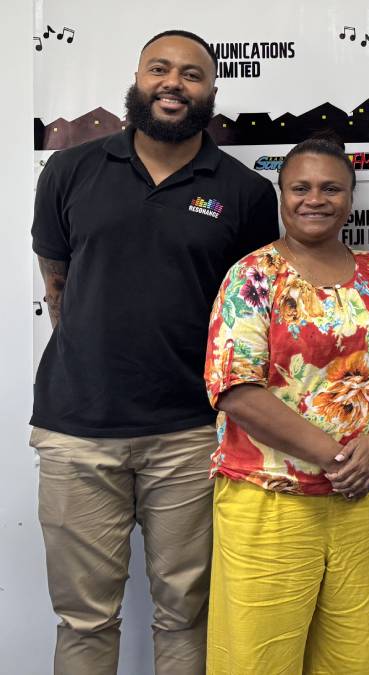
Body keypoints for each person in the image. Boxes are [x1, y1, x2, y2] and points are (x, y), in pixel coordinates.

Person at [29, 30, 278, 675]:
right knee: (83, 620)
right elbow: (56, 282)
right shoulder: (70, 170)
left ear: (211, 91)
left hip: (191, 435)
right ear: (138, 79)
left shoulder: (246, 193)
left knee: (185, 615)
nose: (173, 83)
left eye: (191, 74)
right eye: (159, 69)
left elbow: (248, 313)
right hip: (77, 431)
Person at [203, 135, 369, 673]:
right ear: (282, 195)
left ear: (350, 198)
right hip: (270, 498)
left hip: (366, 497)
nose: (315, 199)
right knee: (257, 660)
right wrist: (338, 459)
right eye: (301, 188)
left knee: (357, 658)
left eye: (331, 188)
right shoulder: (253, 276)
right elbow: (236, 389)